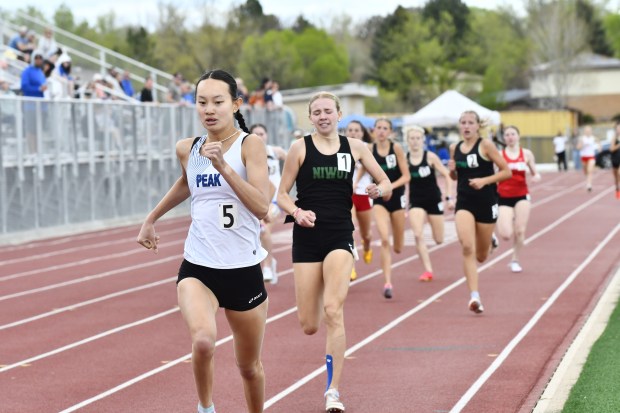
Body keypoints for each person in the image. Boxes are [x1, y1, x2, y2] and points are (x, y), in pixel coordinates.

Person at [136, 69, 270, 413]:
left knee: (249, 368)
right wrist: (151, 218)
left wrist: (224, 166)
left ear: (236, 104)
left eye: (218, 102)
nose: (209, 109)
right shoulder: (188, 148)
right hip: (199, 266)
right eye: (202, 102)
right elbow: (186, 182)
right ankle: (205, 407)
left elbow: (262, 207)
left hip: (243, 269)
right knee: (203, 341)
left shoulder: (250, 145)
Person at [277, 91, 392, 412]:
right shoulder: (299, 148)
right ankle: (316, 303)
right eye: (317, 112)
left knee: (333, 310)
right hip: (307, 237)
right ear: (310, 118)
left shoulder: (356, 148)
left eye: (329, 110)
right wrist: (297, 212)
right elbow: (282, 194)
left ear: (339, 114)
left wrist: (378, 189)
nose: (323, 116)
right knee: (309, 323)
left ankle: (333, 391)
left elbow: (387, 182)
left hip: (341, 234)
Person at [448, 111, 511, 314]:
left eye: (470, 123)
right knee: (467, 247)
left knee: (481, 256)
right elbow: (456, 176)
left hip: (486, 202)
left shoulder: (485, 146)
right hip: (464, 202)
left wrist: (484, 181)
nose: (466, 126)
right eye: (463, 123)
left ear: (477, 126)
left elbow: (506, 171)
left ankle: (490, 240)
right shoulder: (454, 148)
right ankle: (474, 296)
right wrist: (451, 170)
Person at [405, 126, 454, 282]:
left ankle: (429, 267)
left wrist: (449, 197)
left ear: (423, 140)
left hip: (433, 199)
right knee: (418, 235)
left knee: (438, 239)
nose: (415, 141)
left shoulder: (430, 157)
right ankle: (428, 270)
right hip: (416, 201)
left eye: (418, 138)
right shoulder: (405, 159)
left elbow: (447, 176)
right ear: (407, 141)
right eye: (412, 138)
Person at [370, 118, 410, 298]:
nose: (381, 131)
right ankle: (387, 282)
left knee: (399, 246)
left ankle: (398, 245)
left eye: (385, 128)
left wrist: (389, 187)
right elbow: (363, 169)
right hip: (379, 199)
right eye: (378, 128)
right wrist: (354, 182)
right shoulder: (370, 150)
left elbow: (406, 176)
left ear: (391, 132)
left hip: (397, 197)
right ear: (373, 130)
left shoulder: (396, 149)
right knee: (384, 239)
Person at [496, 125, 541, 273]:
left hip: (522, 195)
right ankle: (494, 232)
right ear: (504, 138)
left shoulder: (526, 154)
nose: (510, 137)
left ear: (518, 136)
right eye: (507, 135)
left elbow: (535, 172)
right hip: (503, 196)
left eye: (513, 134)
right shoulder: (500, 155)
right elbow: (494, 175)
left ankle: (515, 259)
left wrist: (536, 177)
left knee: (520, 231)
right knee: (506, 235)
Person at [250, 123, 287, 284]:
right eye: (255, 134)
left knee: (264, 230)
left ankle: (267, 264)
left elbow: (294, 162)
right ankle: (268, 262)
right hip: (256, 199)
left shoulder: (276, 152)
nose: (259, 136)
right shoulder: (247, 154)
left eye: (262, 133)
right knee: (257, 233)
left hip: (274, 200)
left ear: (266, 135)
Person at [346, 120, 374, 281]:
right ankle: (351, 267)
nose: (354, 133)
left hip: (362, 192)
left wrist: (356, 181)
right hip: (347, 193)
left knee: (367, 234)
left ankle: (367, 246)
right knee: (349, 229)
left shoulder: (366, 147)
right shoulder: (340, 147)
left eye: (357, 130)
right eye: (350, 130)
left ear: (362, 133)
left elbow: (365, 165)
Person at [577, 125, 599, 192]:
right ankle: (588, 180)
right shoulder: (582, 138)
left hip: (591, 156)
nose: (588, 132)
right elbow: (578, 147)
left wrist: (599, 148)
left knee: (590, 170)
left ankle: (589, 184)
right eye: (586, 131)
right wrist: (581, 144)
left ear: (591, 131)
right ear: (584, 131)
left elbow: (599, 143)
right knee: (585, 171)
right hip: (584, 156)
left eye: (589, 130)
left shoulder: (594, 138)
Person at [611, 121, 620, 200]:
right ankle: (617, 189)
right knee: (616, 177)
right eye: (618, 128)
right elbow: (611, 149)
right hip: (615, 159)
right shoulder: (614, 138)